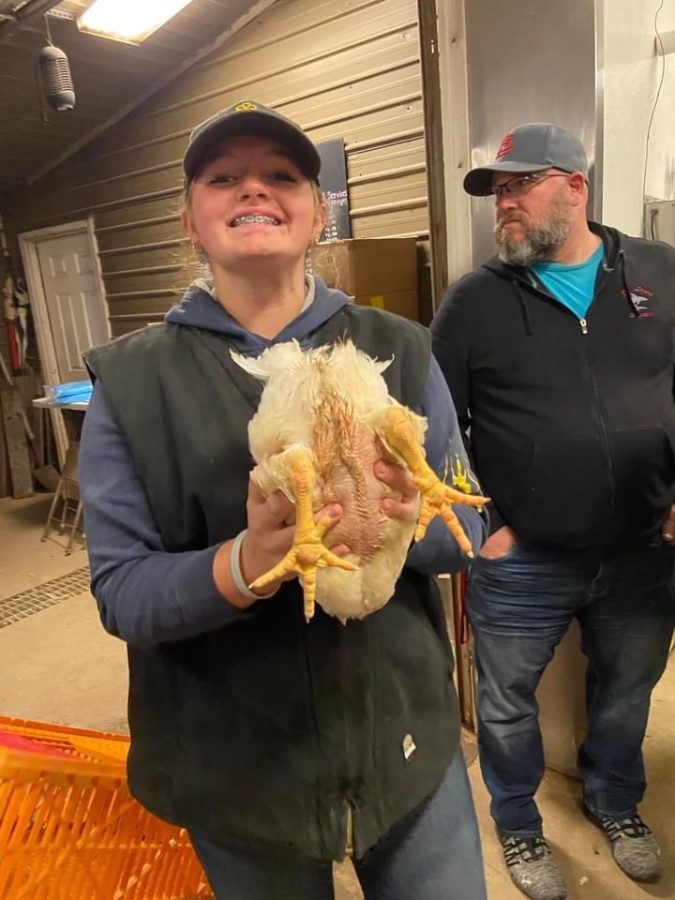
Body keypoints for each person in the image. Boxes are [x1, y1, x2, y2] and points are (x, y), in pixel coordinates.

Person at [78, 99, 489, 900]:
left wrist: (409, 520)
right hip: (236, 765)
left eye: (280, 176)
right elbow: (122, 593)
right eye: (223, 178)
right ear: (189, 220)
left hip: (403, 741)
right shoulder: (130, 383)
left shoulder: (398, 348)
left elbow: (469, 515)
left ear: (316, 211)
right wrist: (246, 560)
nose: (252, 190)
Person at [431, 122, 675, 900]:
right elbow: (435, 430)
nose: (501, 204)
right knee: (504, 705)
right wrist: (477, 527)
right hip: (522, 555)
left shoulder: (661, 273)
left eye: (518, 185)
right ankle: (516, 822)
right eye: (496, 191)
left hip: (643, 546)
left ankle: (613, 802)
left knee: (626, 692)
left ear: (574, 185)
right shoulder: (473, 302)